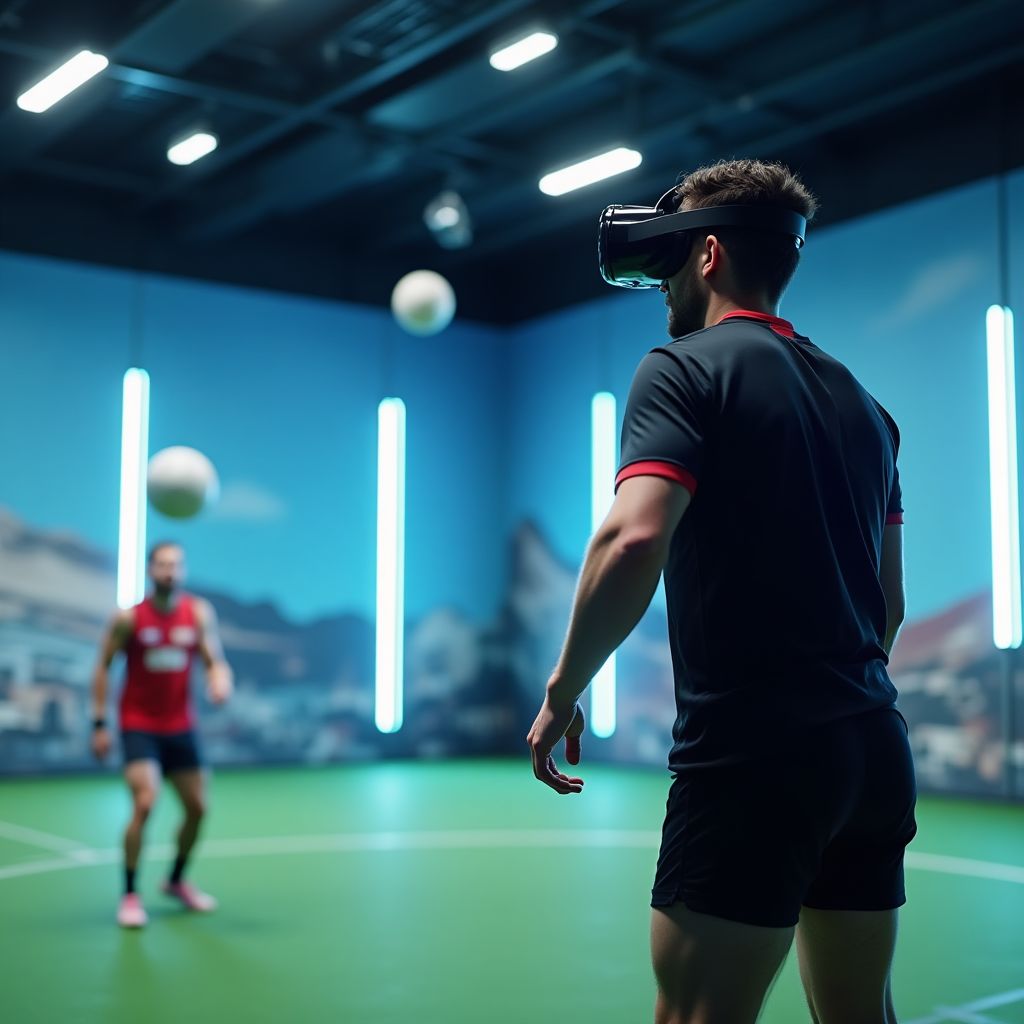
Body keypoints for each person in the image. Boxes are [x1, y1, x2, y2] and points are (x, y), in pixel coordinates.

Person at [527, 158, 916, 1024]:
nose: (660, 285)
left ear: (705, 256)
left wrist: (565, 688)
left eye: (669, 261)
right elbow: (887, 607)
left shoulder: (682, 368)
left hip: (754, 755)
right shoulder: (869, 409)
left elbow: (633, 538)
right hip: (872, 751)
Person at [91, 540, 233, 929]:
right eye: (162, 565)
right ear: (151, 571)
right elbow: (102, 668)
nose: (170, 571)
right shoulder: (129, 620)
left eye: (176, 565)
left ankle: (175, 882)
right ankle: (131, 894)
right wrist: (100, 723)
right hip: (139, 726)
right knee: (146, 802)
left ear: (183, 571)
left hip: (181, 726)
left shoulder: (198, 614)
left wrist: (220, 682)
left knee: (198, 809)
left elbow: (215, 661)